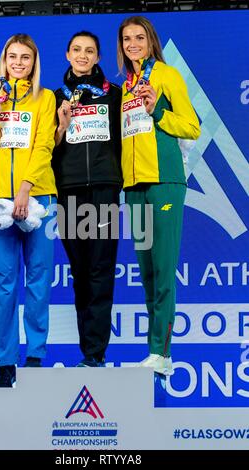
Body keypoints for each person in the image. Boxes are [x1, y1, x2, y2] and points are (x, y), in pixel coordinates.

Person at [0, 34, 57, 387]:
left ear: (34, 63)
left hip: (38, 198)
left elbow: (44, 145)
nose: (19, 63)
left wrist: (25, 189)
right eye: (12, 57)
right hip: (0, 204)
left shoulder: (45, 98)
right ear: (3, 61)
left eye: (26, 57)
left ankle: (35, 359)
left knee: (38, 282)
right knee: (5, 286)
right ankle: (6, 365)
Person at [117, 16, 200, 375]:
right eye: (126, 39)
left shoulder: (166, 75)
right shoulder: (125, 86)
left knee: (164, 269)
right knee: (147, 271)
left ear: (150, 42)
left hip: (165, 182)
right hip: (134, 186)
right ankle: (157, 352)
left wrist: (159, 110)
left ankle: (161, 352)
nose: (132, 44)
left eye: (139, 37)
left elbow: (192, 126)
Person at [53, 31, 122, 367]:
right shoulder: (54, 99)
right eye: (77, 50)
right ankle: (88, 350)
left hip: (105, 188)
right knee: (80, 270)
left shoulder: (116, 96)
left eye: (90, 51)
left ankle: (95, 354)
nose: (82, 55)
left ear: (98, 57)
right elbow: (45, 149)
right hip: (68, 190)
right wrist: (61, 126)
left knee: (100, 267)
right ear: (67, 54)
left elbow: (128, 142)